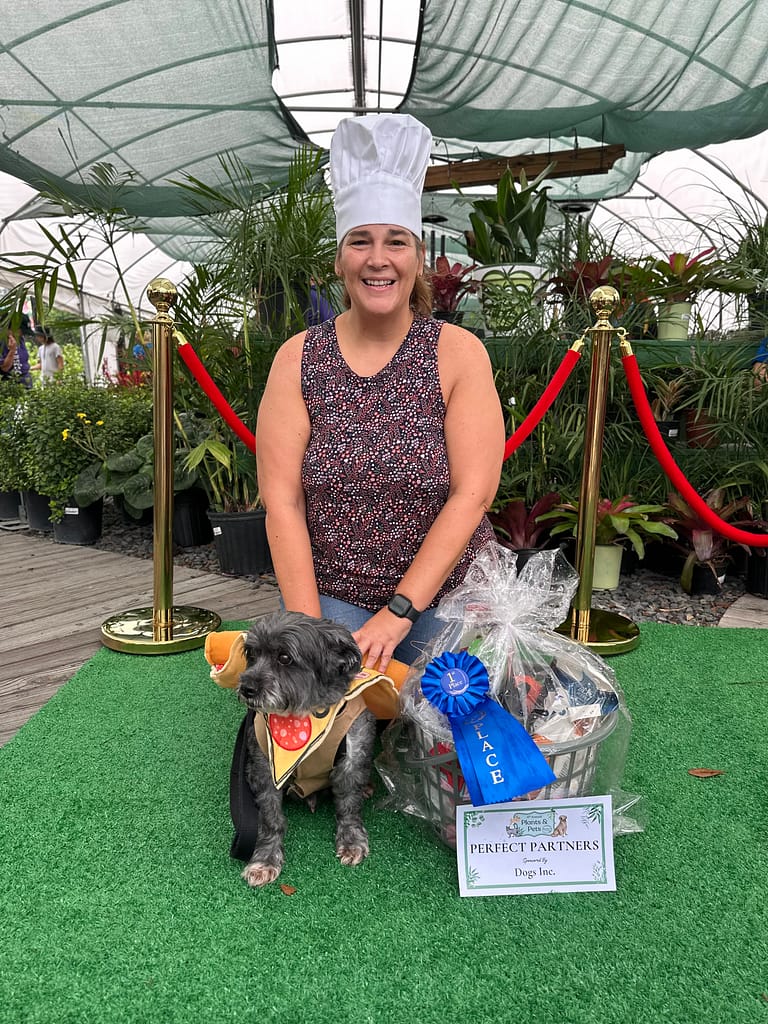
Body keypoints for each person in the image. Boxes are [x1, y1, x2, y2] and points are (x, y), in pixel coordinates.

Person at [256, 114, 505, 671]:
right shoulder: (297, 357)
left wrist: (398, 612)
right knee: (318, 732)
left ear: (417, 257)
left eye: (396, 241)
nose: (378, 259)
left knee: (449, 721)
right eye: (360, 241)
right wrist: (307, 631)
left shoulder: (457, 352)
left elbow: (472, 494)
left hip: (447, 598)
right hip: (330, 597)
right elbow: (283, 500)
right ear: (340, 259)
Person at [1, 323, 33, 388]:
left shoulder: (20, 339)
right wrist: (12, 350)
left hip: (25, 380)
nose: (22, 334)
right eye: (21, 331)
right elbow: (5, 368)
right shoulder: (2, 341)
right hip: (10, 383)